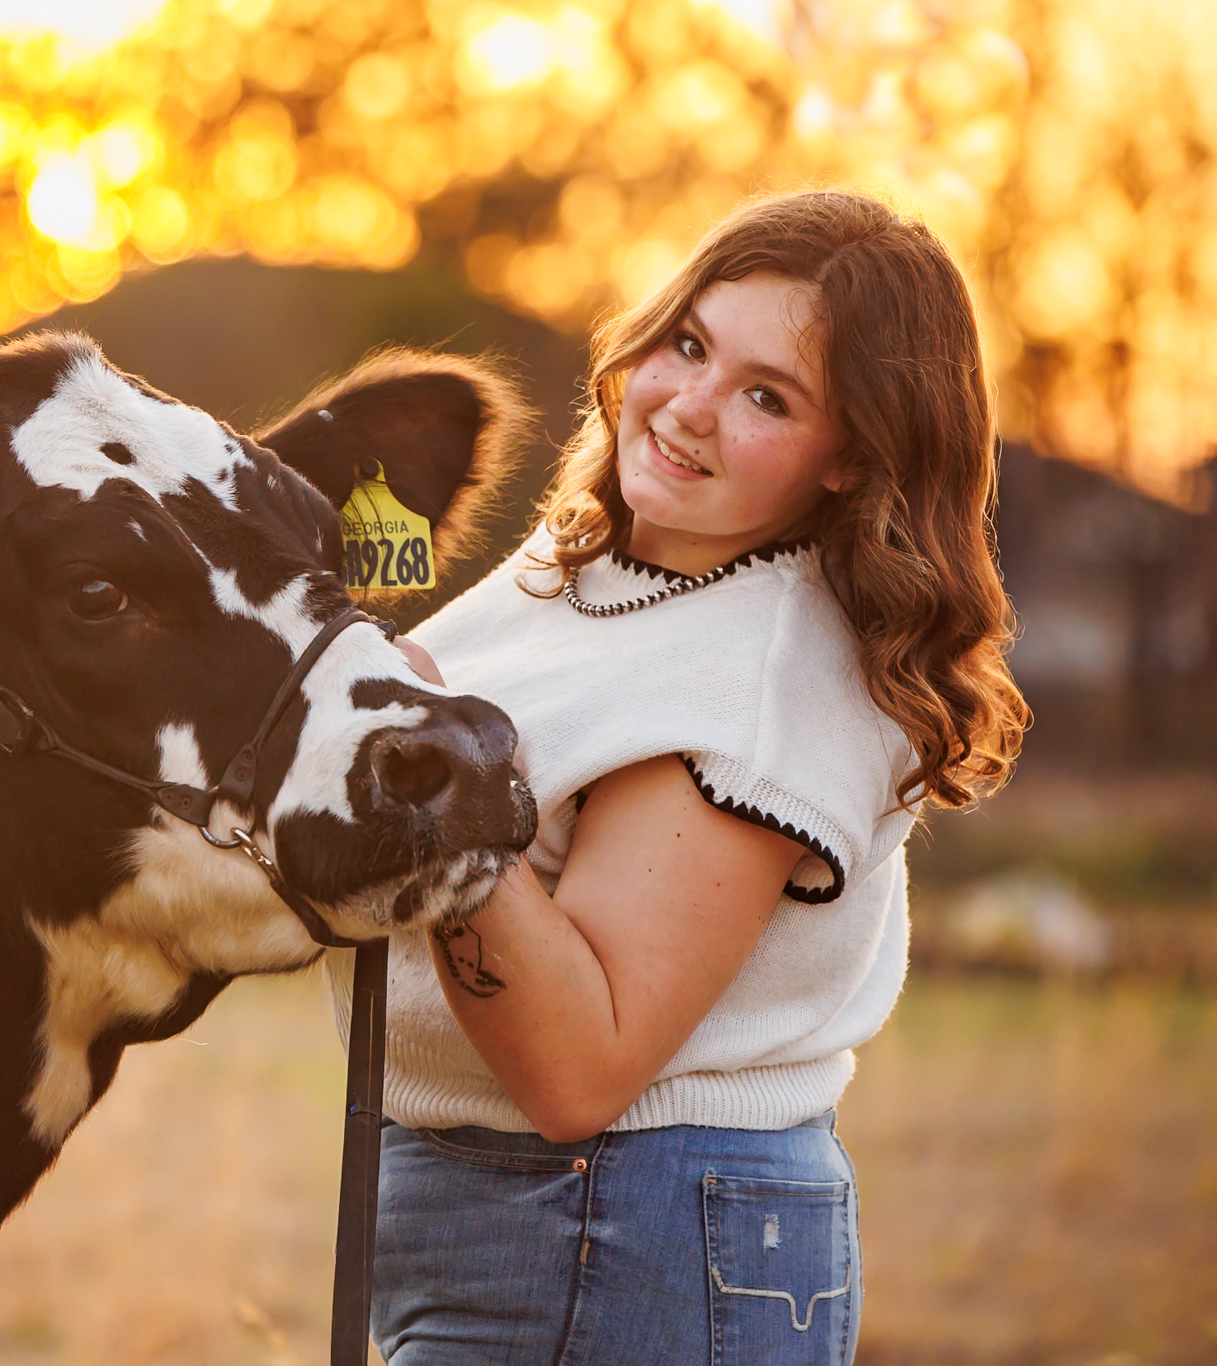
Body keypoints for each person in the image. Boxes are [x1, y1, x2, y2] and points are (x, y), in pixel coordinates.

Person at [334, 191, 1028, 1363]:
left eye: (767, 396)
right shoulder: (588, 563)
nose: (688, 407)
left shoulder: (749, 676)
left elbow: (577, 1066)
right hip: (513, 1213)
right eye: (690, 344)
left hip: (616, 1224)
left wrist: (438, 779)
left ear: (851, 459)